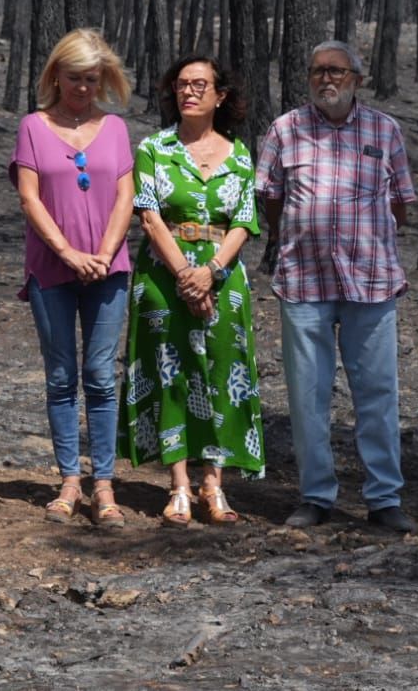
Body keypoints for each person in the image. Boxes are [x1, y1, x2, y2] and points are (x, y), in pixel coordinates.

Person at [256, 41, 418, 534]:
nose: (326, 79)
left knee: (378, 393)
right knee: (308, 395)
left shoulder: (384, 130)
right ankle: (316, 495)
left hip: (371, 280)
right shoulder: (286, 129)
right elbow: (270, 198)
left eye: (337, 71)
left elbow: (402, 203)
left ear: (357, 79)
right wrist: (305, 234)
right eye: (317, 71)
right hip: (305, 279)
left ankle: (384, 498)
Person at [119, 55, 263, 527]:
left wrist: (212, 273)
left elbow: (245, 221)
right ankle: (179, 484)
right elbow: (149, 215)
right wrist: (186, 274)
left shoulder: (240, 154)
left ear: (221, 95)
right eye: (182, 85)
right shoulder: (154, 149)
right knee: (170, 373)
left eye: (200, 85)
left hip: (224, 279)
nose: (190, 92)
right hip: (164, 277)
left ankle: (214, 484)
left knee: (221, 371)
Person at [10, 29, 134, 528]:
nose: (82, 88)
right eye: (73, 78)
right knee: (61, 378)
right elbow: (29, 197)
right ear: (54, 76)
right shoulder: (33, 126)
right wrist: (67, 252)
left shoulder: (117, 128)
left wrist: (102, 253)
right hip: (52, 269)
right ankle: (68, 480)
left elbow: (126, 196)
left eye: (91, 78)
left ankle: (104, 484)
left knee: (102, 378)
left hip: (109, 269)